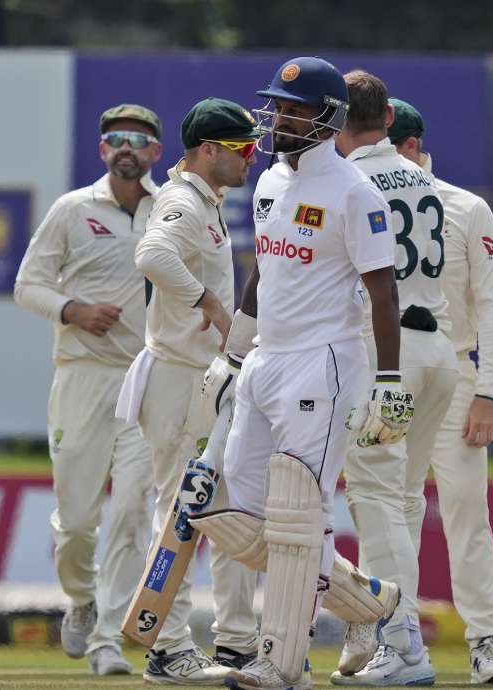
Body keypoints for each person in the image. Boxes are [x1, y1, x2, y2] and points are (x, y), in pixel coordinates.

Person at [188, 57, 412, 690]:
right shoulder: (266, 186)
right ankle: (373, 604)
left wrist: (389, 385)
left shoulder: (354, 191)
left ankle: (282, 664)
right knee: (237, 515)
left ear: (328, 117)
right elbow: (263, 274)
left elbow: (384, 294)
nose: (280, 117)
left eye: (294, 109)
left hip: (324, 362)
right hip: (266, 361)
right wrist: (234, 353)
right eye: (277, 107)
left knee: (294, 516)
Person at [116, 97, 263, 684]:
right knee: (178, 512)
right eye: (242, 149)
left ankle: (234, 643)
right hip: (178, 377)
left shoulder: (206, 201)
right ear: (209, 151)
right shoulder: (181, 200)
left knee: (222, 511)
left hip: (201, 378)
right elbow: (150, 254)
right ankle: (168, 647)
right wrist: (206, 301)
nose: (251, 159)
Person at [14, 104, 159, 677]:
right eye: (116, 139)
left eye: (139, 141)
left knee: (131, 512)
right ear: (103, 150)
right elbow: (28, 285)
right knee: (76, 523)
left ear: (155, 151)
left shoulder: (168, 209)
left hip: (147, 380)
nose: (127, 148)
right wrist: (73, 309)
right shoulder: (73, 209)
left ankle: (107, 640)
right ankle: (82, 598)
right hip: (82, 374)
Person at [331, 71, 457, 686]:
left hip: (389, 354)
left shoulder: (350, 179)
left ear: (336, 119)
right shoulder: (427, 179)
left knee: (376, 499)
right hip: (438, 354)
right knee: (402, 501)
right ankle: (387, 640)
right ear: (388, 121)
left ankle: (402, 646)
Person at [388, 97, 493, 684]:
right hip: (387, 373)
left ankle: (485, 643)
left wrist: (489, 390)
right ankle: (396, 639)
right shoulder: (361, 199)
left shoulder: (466, 207)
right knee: (393, 509)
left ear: (412, 146)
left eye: (386, 147)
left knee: (466, 507)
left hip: (456, 376)